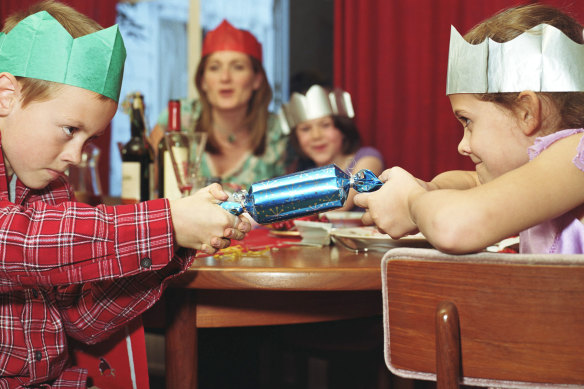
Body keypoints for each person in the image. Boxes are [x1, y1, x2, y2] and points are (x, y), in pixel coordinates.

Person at [0, 1, 250, 386]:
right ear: (7, 96)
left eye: (90, 137)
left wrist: (178, 245)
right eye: (70, 129)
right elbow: (20, 242)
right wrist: (170, 221)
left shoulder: (49, 190)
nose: (77, 156)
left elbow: (83, 320)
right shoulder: (33, 215)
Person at [354, 4, 584, 254]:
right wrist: (430, 190)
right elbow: (473, 182)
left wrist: (411, 203)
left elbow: (454, 228)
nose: (462, 146)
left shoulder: (577, 155)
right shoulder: (538, 175)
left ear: (526, 112)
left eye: (468, 121)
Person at [150, 19, 288, 191]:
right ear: (203, 81)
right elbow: (148, 187)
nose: (225, 78)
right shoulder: (178, 120)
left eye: (237, 67)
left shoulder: (277, 133)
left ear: (257, 79)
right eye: (214, 68)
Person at [280, 84, 384, 210]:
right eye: (306, 129)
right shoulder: (302, 174)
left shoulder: (368, 158)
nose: (316, 136)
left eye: (325, 125)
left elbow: (341, 204)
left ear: (343, 129)